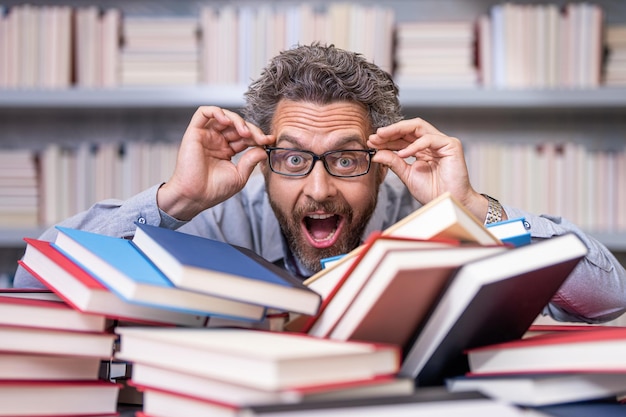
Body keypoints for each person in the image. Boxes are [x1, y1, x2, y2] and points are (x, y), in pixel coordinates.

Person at [14, 43, 626, 324]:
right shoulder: (216, 218)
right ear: (262, 157)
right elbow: (34, 283)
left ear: (382, 156)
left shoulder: (433, 221)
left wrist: (472, 207)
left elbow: (608, 301)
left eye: (345, 159)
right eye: (294, 159)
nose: (319, 190)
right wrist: (179, 198)